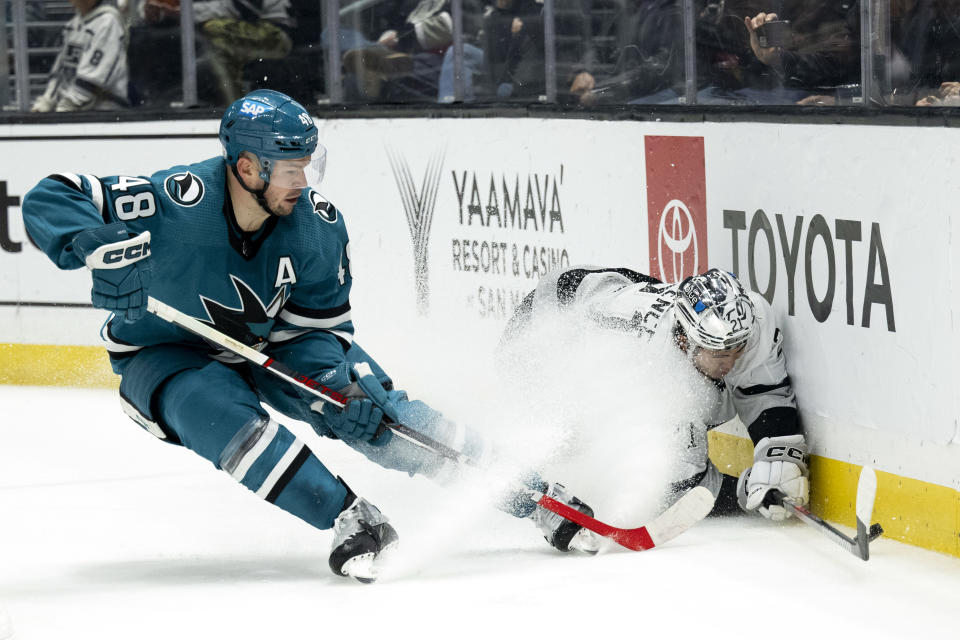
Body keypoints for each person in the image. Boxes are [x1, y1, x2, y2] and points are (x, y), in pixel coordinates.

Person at [20, 89, 598, 583]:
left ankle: (537, 497)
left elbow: (319, 328)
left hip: (276, 341)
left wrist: (330, 384)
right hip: (164, 349)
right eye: (289, 166)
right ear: (247, 167)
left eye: (307, 163)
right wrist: (89, 244)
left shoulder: (317, 229)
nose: (303, 179)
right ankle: (351, 518)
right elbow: (54, 193)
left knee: (377, 414)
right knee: (213, 410)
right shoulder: (175, 202)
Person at [500, 266, 808, 521]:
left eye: (736, 347)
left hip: (606, 294)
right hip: (546, 326)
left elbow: (764, 392)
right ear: (685, 341)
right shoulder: (662, 376)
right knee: (571, 433)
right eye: (717, 352)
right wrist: (745, 489)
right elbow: (685, 489)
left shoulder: (750, 321)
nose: (730, 361)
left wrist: (777, 459)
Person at [31, 0, 129, 112]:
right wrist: (47, 100)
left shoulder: (108, 22)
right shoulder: (74, 23)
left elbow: (93, 80)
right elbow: (61, 71)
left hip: (104, 112)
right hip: (75, 108)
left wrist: (64, 109)